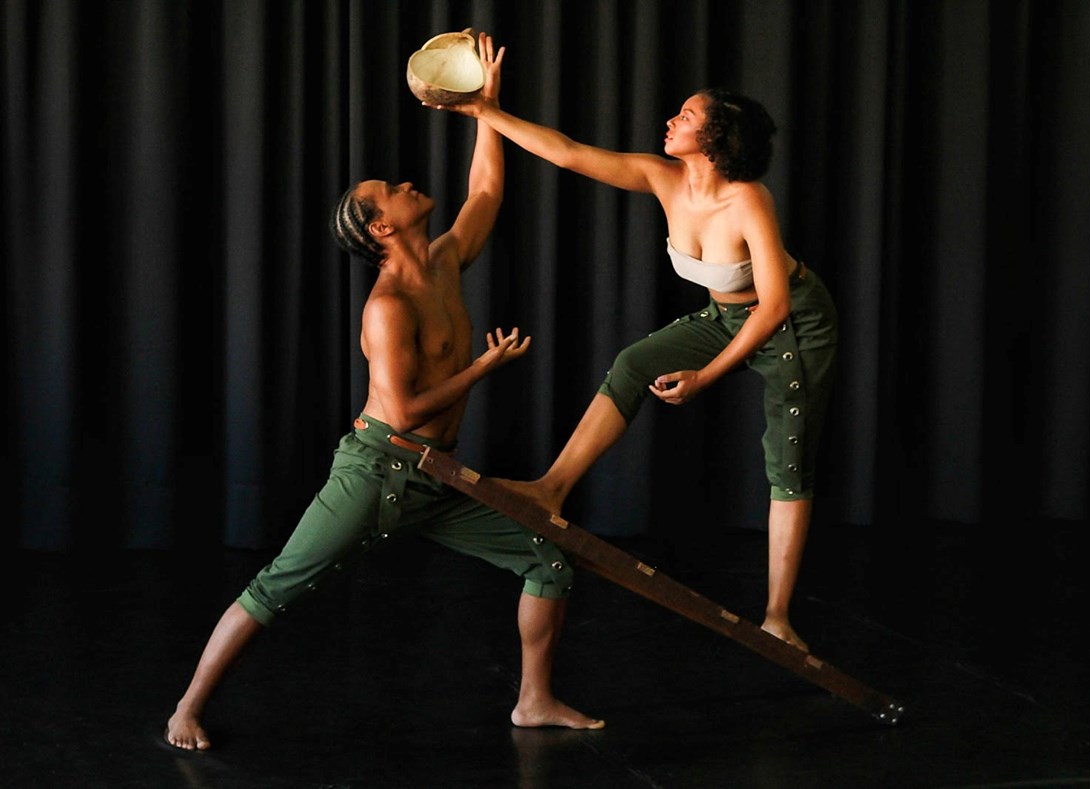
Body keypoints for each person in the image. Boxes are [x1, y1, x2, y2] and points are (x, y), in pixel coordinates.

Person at [164, 33, 603, 751]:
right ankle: (187, 707)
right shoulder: (388, 305)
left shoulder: (444, 260)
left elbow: (486, 191)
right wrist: (483, 370)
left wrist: (485, 110)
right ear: (380, 225)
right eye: (390, 191)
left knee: (547, 558)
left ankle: (535, 698)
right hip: (376, 469)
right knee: (278, 585)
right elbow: (399, 411)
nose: (404, 185)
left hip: (434, 476)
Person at [431, 67, 838, 653]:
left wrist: (706, 375)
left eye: (688, 115)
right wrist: (485, 111)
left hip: (794, 325)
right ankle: (551, 488)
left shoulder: (748, 200)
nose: (672, 120)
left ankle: (777, 618)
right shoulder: (663, 177)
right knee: (632, 363)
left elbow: (773, 306)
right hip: (728, 318)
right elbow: (569, 154)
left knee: (786, 463)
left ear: (718, 135)